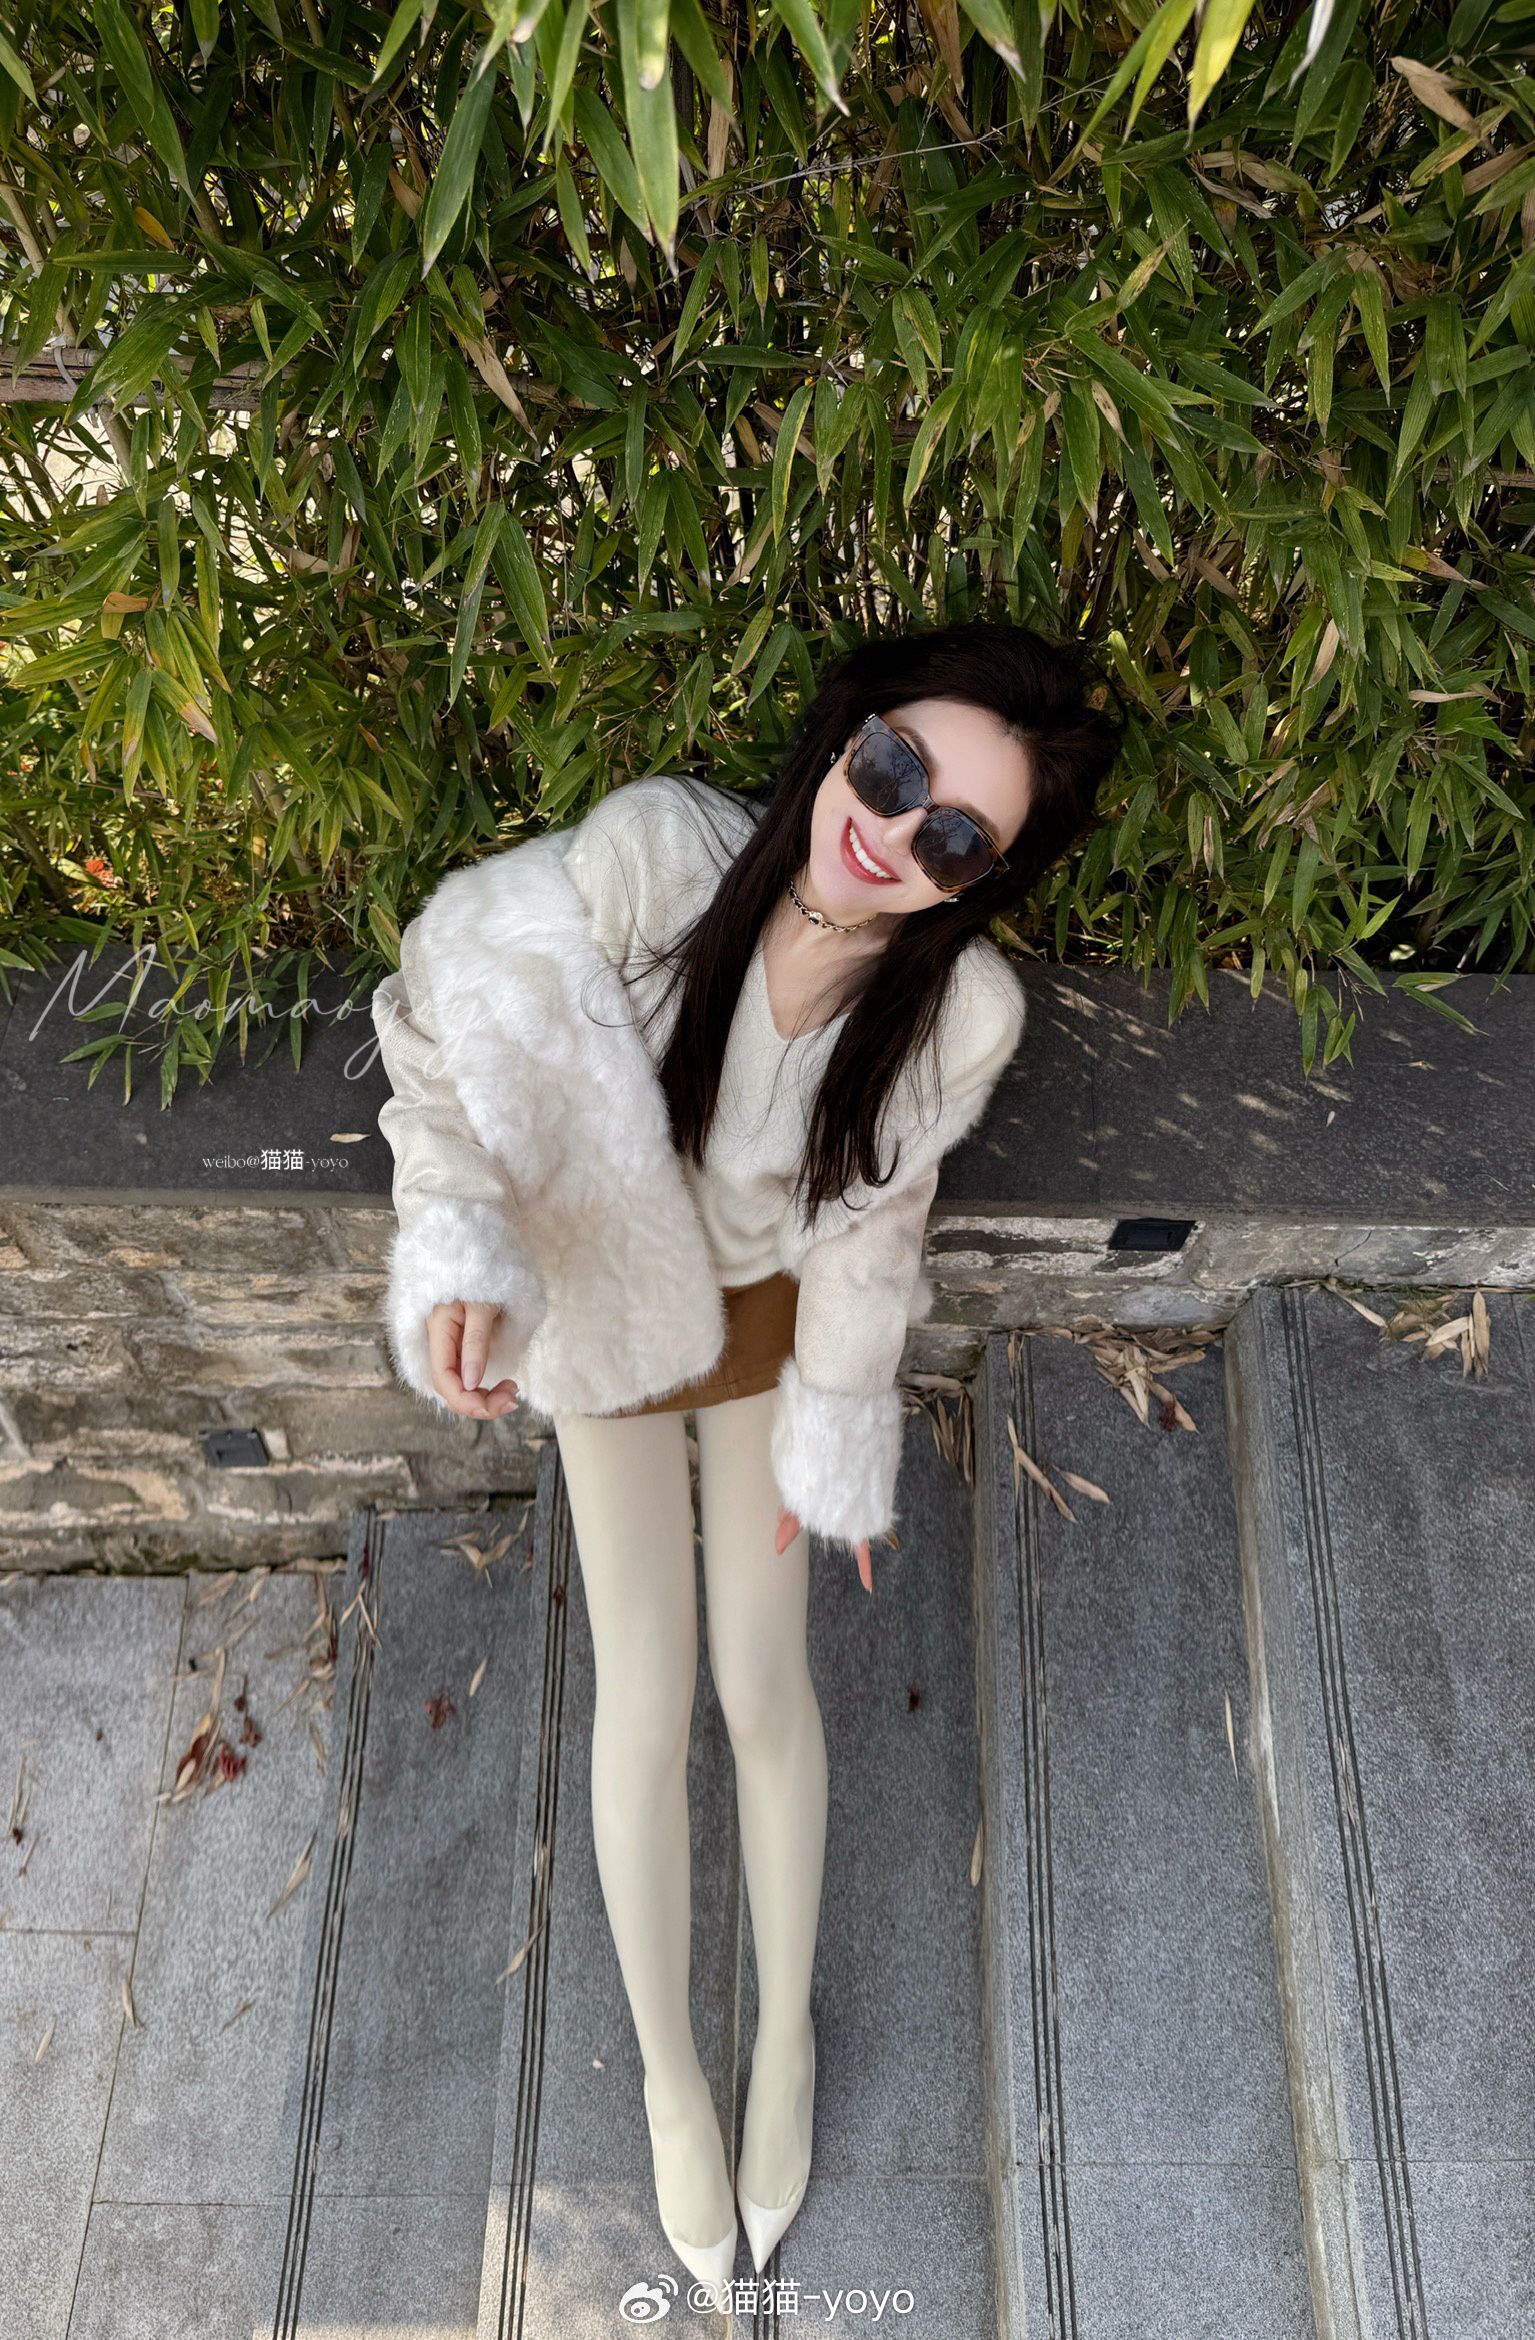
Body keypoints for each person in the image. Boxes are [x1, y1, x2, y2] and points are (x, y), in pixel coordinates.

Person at [370, 620, 1122, 2293]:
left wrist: (839, 1438)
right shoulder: (661, 856)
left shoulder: (956, 1011)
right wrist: (462, 1246)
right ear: (850, 728)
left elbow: (873, 1237)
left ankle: (784, 2037)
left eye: (955, 837)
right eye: (894, 767)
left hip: (774, 1328)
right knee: (643, 1701)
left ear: (982, 880)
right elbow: (446, 1010)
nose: (896, 829)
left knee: (762, 1686)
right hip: (605, 1298)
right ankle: (669, 2080)